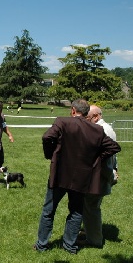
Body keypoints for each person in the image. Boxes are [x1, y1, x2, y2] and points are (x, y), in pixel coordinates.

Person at [34, 99, 121, 254]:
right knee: (76, 212)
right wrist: (96, 158)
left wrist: (51, 154)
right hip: (82, 177)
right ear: (87, 113)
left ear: (73, 110)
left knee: (49, 211)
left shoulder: (62, 122)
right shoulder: (96, 130)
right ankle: (70, 246)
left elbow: (47, 137)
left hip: (59, 175)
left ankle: (42, 245)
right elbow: (114, 147)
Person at [80, 105, 119, 248]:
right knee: (90, 207)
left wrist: (110, 175)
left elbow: (107, 159)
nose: (85, 120)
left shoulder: (103, 130)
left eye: (87, 118)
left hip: (99, 177)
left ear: (96, 116)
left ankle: (94, 240)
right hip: (102, 175)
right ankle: (91, 233)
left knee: (91, 208)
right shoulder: (106, 128)